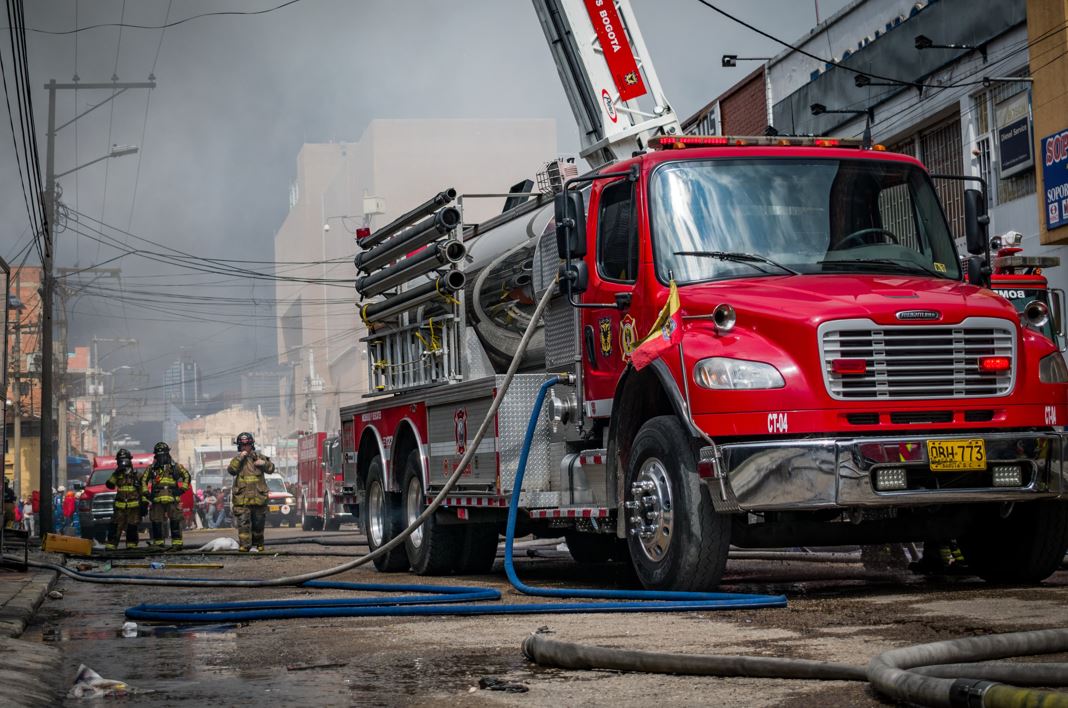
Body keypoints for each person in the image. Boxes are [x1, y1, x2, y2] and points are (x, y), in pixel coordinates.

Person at [228, 432, 274, 552]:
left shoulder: (260, 457)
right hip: (242, 499)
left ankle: (259, 545)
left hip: (258, 497)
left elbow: (271, 469)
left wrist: (263, 464)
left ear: (251, 445)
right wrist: (240, 457)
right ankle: (244, 545)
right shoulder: (237, 460)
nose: (245, 448)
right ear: (239, 447)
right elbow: (231, 470)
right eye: (242, 446)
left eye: (247, 445)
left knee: (259, 524)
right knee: (243, 524)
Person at [143, 442, 191, 550]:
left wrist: (181, 490)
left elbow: (187, 476)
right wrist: (147, 494)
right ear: (156, 455)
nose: (161, 458)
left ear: (167, 454)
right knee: (156, 522)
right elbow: (143, 481)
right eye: (159, 455)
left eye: (163, 455)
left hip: (173, 498)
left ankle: (177, 544)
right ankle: (158, 544)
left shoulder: (176, 467)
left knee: (175, 521)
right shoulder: (151, 468)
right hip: (157, 500)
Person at [104, 449, 143, 550]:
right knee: (115, 526)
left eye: (124, 460)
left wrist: (144, 505)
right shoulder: (117, 475)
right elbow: (110, 485)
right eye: (120, 460)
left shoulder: (137, 475)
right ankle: (111, 546)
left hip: (133, 508)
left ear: (130, 461)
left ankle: (131, 546)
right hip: (119, 508)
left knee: (132, 527)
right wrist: (116, 473)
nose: (122, 462)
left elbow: (143, 490)